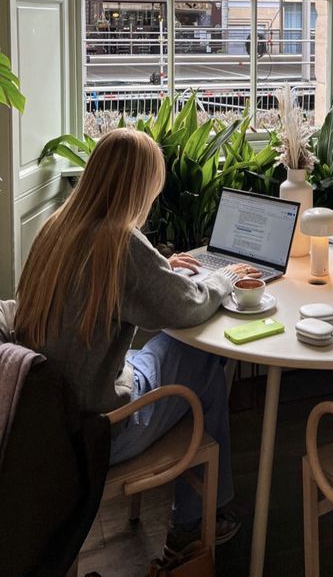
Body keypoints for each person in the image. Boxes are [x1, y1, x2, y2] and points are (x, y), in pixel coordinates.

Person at [14, 129, 260, 557]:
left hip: (50, 422)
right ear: (140, 187)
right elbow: (188, 308)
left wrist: (163, 267)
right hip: (103, 430)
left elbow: (133, 287)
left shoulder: (56, 229)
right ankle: (193, 523)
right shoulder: (118, 242)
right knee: (200, 358)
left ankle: (201, 507)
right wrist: (225, 277)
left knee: (171, 353)